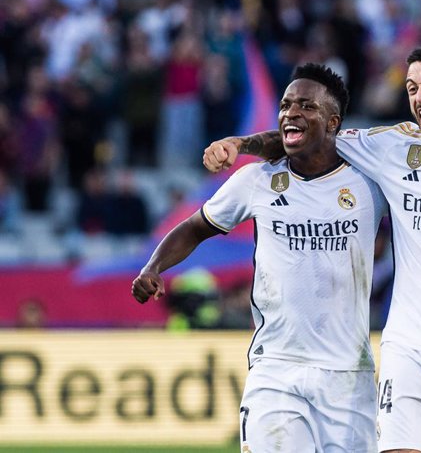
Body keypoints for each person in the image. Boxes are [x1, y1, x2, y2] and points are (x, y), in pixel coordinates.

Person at [203, 45, 421, 452]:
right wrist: (240, 143)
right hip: (408, 349)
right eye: (412, 88)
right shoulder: (393, 146)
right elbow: (306, 138)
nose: (419, 96)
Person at [132, 64, 386, 451]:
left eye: (306, 106)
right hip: (276, 370)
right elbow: (196, 226)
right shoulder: (256, 181)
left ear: (333, 122)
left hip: (349, 376)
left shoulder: (371, 178)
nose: (291, 113)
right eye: (285, 104)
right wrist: (153, 266)